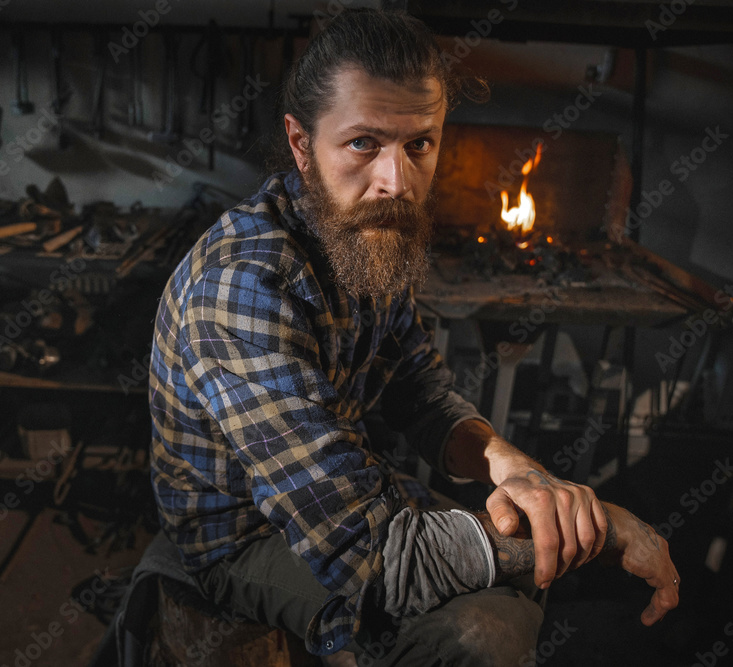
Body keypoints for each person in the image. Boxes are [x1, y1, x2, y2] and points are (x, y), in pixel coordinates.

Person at [147, 8, 679, 665]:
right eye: (363, 143)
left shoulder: (368, 233)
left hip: (349, 489)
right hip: (247, 535)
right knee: (486, 634)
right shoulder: (245, 292)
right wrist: (605, 529)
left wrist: (513, 466)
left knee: (515, 568)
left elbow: (419, 393)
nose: (396, 183)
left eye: (419, 144)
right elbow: (376, 558)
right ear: (299, 144)